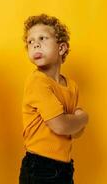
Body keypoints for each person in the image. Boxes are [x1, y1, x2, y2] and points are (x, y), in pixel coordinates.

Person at [19, 14, 89, 183]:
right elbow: (61, 125)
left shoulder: (71, 86)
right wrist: (83, 117)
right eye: (30, 42)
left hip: (64, 167)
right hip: (40, 168)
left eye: (42, 38)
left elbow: (77, 132)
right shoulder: (37, 81)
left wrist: (75, 122)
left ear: (61, 48)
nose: (35, 44)